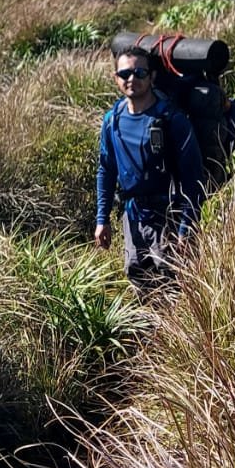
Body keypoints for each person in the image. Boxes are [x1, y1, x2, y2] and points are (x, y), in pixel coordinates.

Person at [95, 46, 204, 293]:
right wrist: (102, 219)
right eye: (124, 74)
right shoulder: (112, 120)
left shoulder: (171, 119)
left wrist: (186, 228)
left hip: (170, 217)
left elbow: (193, 178)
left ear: (152, 76)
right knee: (138, 278)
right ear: (116, 78)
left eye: (140, 72)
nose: (131, 79)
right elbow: (106, 170)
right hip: (133, 216)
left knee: (175, 284)